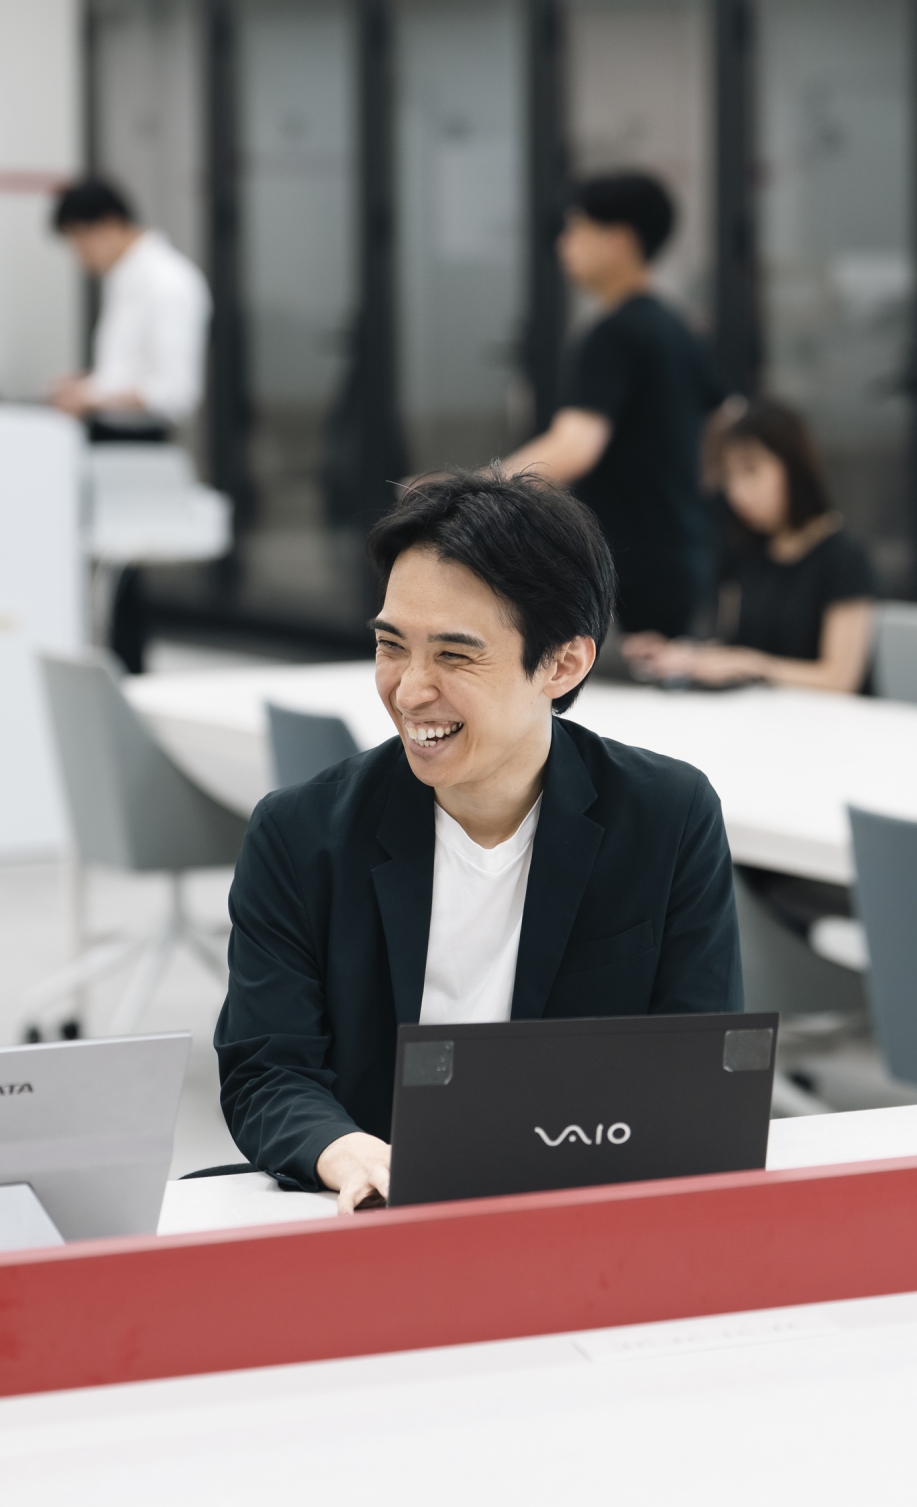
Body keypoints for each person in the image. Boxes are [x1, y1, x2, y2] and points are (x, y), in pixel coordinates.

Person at [215, 472, 741, 1211]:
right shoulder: (299, 834)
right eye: (391, 645)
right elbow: (267, 1067)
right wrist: (345, 1150)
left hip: (579, 1206)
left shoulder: (666, 817)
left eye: (455, 655)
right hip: (372, 1210)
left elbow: (699, 1068)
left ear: (562, 663)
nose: (409, 690)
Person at [503, 172, 732, 639]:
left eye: (576, 229)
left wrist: (479, 490)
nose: (564, 244)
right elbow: (726, 423)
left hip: (626, 564)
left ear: (619, 241)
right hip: (684, 554)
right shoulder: (679, 328)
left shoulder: (612, 335)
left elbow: (575, 446)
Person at [46, 178, 212, 674]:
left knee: (119, 579)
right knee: (112, 581)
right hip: (111, 437)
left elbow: (175, 391)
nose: (80, 257)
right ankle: (118, 676)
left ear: (108, 226)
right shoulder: (128, 278)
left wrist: (90, 395)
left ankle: (129, 679)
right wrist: (88, 386)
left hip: (138, 444)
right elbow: (128, 373)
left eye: (80, 242)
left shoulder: (168, 282)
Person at [624, 399, 877, 693]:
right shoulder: (748, 552)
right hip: (759, 712)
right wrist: (685, 654)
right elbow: (733, 645)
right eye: (729, 477)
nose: (738, 493)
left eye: (751, 471)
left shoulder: (844, 555)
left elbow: (839, 679)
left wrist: (752, 665)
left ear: (793, 467)